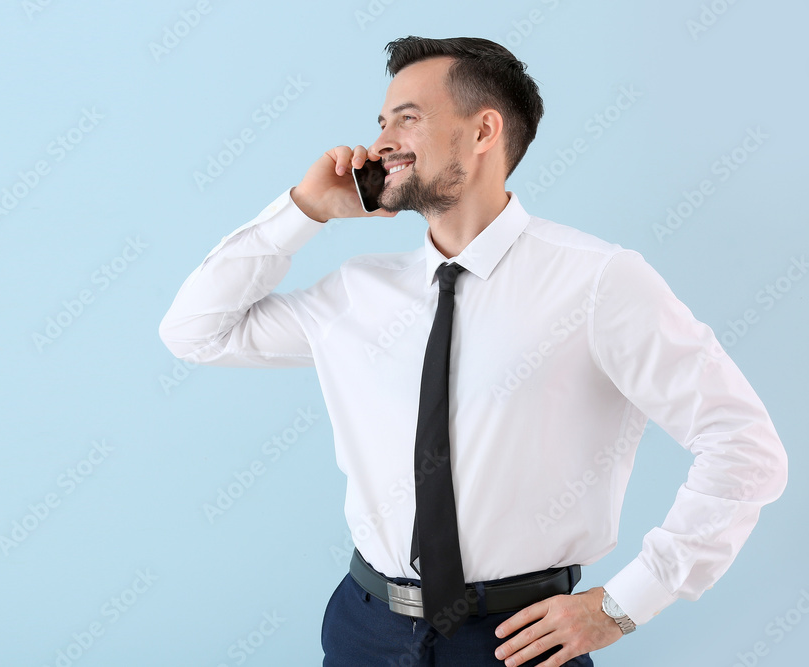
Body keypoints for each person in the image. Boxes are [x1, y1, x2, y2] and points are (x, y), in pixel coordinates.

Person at [158, 36, 787, 666]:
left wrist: (624, 604)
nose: (379, 145)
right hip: (365, 630)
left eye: (407, 118)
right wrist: (302, 212)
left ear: (484, 130)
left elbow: (743, 446)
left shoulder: (599, 283)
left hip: (518, 643)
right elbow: (195, 331)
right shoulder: (357, 292)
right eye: (380, 123)